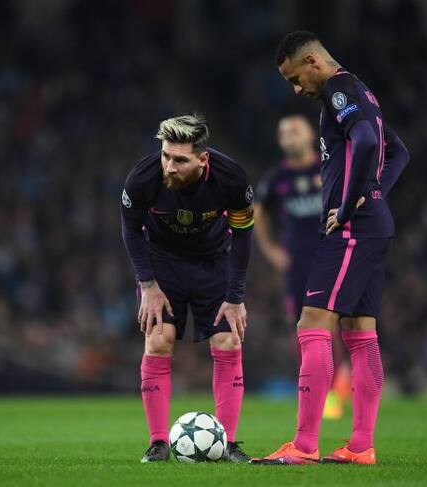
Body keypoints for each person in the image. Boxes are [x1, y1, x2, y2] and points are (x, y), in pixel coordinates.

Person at [251, 31, 409, 466]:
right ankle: (360, 446)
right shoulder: (361, 92)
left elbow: (369, 143)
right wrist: (373, 194)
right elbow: (399, 152)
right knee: (360, 333)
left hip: (353, 228)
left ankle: (304, 445)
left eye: (294, 79)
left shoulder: (339, 90)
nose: (296, 89)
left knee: (312, 324)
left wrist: (352, 200)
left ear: (312, 62)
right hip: (373, 223)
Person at [121, 114, 254, 463]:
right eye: (166, 156)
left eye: (180, 160)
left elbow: (243, 235)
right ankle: (158, 443)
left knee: (228, 340)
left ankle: (228, 444)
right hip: (162, 264)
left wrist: (235, 296)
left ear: (202, 159)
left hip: (214, 261)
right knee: (158, 340)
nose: (170, 166)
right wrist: (148, 285)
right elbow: (131, 230)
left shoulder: (231, 178)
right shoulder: (142, 178)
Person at [255, 115, 350, 419]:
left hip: (330, 254)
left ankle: (335, 388)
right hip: (297, 262)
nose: (289, 135)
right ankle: (314, 388)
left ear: (311, 135)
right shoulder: (277, 178)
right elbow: (258, 210)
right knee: (302, 327)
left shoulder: (329, 167)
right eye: (283, 132)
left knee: (332, 324)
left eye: (295, 129)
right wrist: (270, 250)